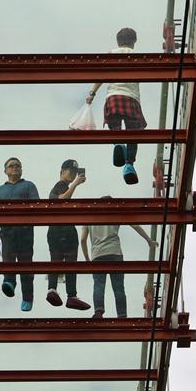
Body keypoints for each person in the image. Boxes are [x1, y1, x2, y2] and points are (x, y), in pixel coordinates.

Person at [85, 27, 147, 186]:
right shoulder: (138, 56)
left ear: (118, 41)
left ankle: (118, 143)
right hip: (132, 99)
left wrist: (92, 93)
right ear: (134, 41)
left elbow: (101, 75)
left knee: (115, 127)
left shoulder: (111, 54)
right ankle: (129, 165)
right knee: (133, 135)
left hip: (113, 97)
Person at [80, 211, 156, 319]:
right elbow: (134, 224)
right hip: (115, 253)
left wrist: (87, 259)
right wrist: (148, 240)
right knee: (118, 287)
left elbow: (83, 240)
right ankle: (122, 315)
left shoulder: (89, 217)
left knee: (99, 285)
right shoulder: (114, 213)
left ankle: (98, 312)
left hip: (97, 255)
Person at [0, 158, 39, 312]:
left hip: (24, 232)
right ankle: (9, 283)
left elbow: (36, 206)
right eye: (11, 166)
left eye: (18, 165)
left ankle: (27, 298)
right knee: (8, 261)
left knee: (26, 266)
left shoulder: (28, 185)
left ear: (22, 170)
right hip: (7, 233)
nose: (15, 168)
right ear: (5, 171)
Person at [46, 159, 91, 311]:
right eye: (70, 171)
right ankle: (64, 293)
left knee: (59, 261)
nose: (73, 174)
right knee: (66, 261)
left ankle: (62, 292)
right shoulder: (61, 185)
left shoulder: (64, 186)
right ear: (62, 171)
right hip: (61, 230)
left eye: (75, 172)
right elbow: (61, 200)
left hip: (59, 230)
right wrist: (76, 183)